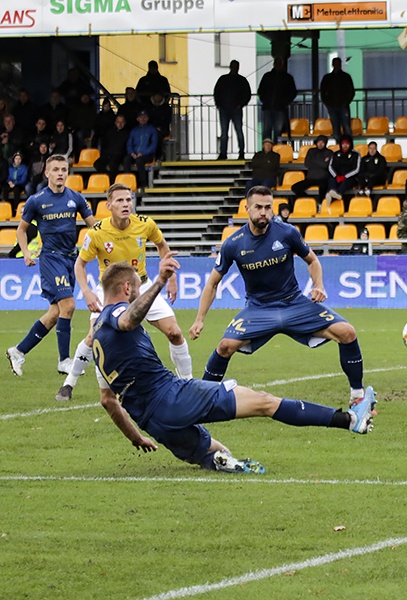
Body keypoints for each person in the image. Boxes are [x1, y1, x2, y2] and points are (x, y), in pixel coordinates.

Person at [92, 257, 375, 474]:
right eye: (136, 290)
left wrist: (136, 437)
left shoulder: (96, 340)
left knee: (215, 453)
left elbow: (108, 401)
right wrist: (158, 283)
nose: (136, 295)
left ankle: (222, 462)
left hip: (153, 423)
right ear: (127, 288)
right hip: (172, 396)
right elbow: (129, 319)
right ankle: (350, 420)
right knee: (265, 403)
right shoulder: (117, 313)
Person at [189, 187, 372, 408]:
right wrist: (199, 319)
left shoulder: (287, 232)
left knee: (347, 332)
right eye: (258, 207)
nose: (264, 212)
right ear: (247, 209)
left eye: (268, 207)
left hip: (294, 304)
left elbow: (313, 261)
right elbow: (212, 283)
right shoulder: (233, 243)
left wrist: (319, 285)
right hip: (258, 309)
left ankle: (357, 396)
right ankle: (201, 404)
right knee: (225, 346)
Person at [56, 183, 193, 402]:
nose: (126, 204)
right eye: (120, 200)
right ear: (108, 205)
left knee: (175, 332)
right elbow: (79, 265)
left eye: (128, 200)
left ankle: (187, 382)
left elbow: (162, 245)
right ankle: (68, 384)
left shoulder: (145, 224)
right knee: (93, 337)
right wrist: (87, 292)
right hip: (110, 292)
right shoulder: (97, 233)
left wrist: (172, 278)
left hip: (143, 287)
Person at [7, 154, 96, 377]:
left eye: (64, 170)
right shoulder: (36, 200)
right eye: (55, 169)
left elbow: (94, 227)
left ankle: (18, 351)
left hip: (71, 258)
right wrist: (26, 252)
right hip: (51, 258)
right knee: (69, 305)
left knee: (56, 312)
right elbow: (20, 230)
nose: (60, 174)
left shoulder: (76, 198)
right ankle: (64, 360)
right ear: (47, 173)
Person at [214, 60, 252, 161]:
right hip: (232, 109)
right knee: (235, 131)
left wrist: (219, 105)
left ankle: (224, 153)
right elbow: (247, 94)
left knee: (227, 132)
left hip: (229, 109)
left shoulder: (223, 79)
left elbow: (217, 92)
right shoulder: (241, 80)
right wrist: (240, 104)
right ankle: (240, 153)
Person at [257, 57, 297, 143]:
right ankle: (270, 149)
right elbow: (261, 91)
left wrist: (284, 102)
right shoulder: (287, 77)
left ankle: (273, 150)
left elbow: (292, 92)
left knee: (275, 130)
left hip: (277, 108)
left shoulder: (268, 76)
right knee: (270, 130)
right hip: (274, 107)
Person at [320, 57, 354, 143]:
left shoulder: (345, 77)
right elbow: (323, 92)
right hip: (333, 106)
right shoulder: (328, 78)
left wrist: (345, 103)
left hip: (342, 106)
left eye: (338, 64)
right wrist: (327, 103)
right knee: (336, 128)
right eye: (335, 64)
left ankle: (348, 146)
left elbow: (351, 91)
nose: (336, 65)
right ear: (332, 65)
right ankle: (340, 147)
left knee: (346, 127)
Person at [292, 135, 332, 205]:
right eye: (319, 142)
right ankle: (311, 201)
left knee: (324, 188)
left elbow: (326, 165)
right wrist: (322, 161)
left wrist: (314, 161)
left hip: (323, 178)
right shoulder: (311, 151)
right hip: (310, 178)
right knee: (295, 187)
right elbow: (307, 164)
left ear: (325, 143)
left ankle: (320, 204)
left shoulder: (329, 152)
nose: (320, 144)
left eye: (322, 142)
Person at [323, 135, 360, 209]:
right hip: (337, 176)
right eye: (343, 144)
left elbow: (356, 169)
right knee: (331, 180)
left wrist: (345, 177)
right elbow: (330, 167)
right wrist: (336, 176)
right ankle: (332, 192)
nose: (345, 145)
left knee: (346, 182)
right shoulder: (335, 154)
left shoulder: (356, 155)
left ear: (350, 144)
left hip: (350, 177)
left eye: (347, 144)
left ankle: (336, 195)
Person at [123, 111, 158, 190]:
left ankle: (143, 184)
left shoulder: (152, 130)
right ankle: (128, 183)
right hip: (135, 154)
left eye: (145, 117)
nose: (143, 119)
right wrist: (131, 152)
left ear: (148, 119)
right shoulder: (134, 130)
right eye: (141, 117)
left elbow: (153, 145)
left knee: (139, 160)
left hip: (147, 155)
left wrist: (143, 153)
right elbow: (129, 143)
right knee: (126, 159)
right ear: (137, 119)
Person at [94, 115, 129, 182]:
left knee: (112, 165)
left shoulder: (127, 133)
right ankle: (107, 177)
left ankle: (112, 183)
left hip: (120, 155)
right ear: (115, 123)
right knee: (97, 164)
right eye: (118, 122)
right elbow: (104, 145)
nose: (120, 124)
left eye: (122, 122)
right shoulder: (109, 132)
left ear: (125, 123)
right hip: (108, 154)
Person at [147, 93, 172, 161]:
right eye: (156, 95)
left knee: (157, 136)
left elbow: (168, 120)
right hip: (150, 128)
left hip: (163, 129)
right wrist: (154, 127)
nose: (157, 97)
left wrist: (160, 127)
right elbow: (147, 119)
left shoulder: (167, 108)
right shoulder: (149, 107)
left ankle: (158, 156)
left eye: (159, 95)